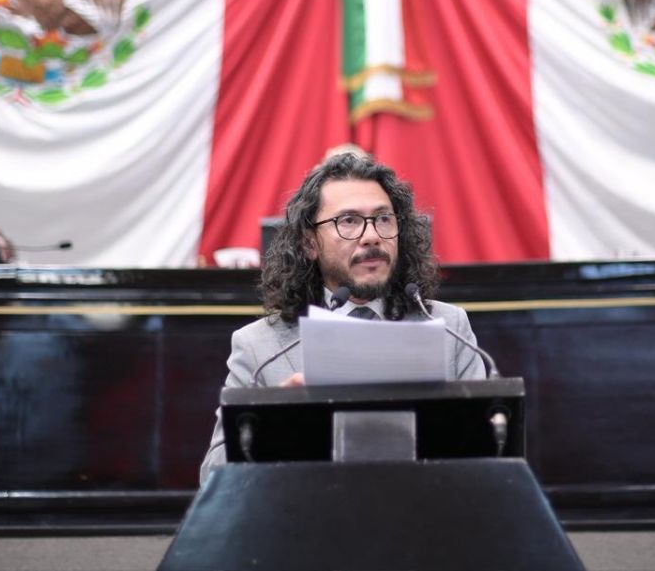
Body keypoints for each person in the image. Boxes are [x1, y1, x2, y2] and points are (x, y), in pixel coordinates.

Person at [199, 152, 487, 482]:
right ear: (310, 243)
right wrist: (271, 423)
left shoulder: (450, 328)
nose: (371, 235)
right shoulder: (259, 346)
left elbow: (489, 455)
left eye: (383, 219)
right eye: (348, 221)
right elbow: (213, 478)